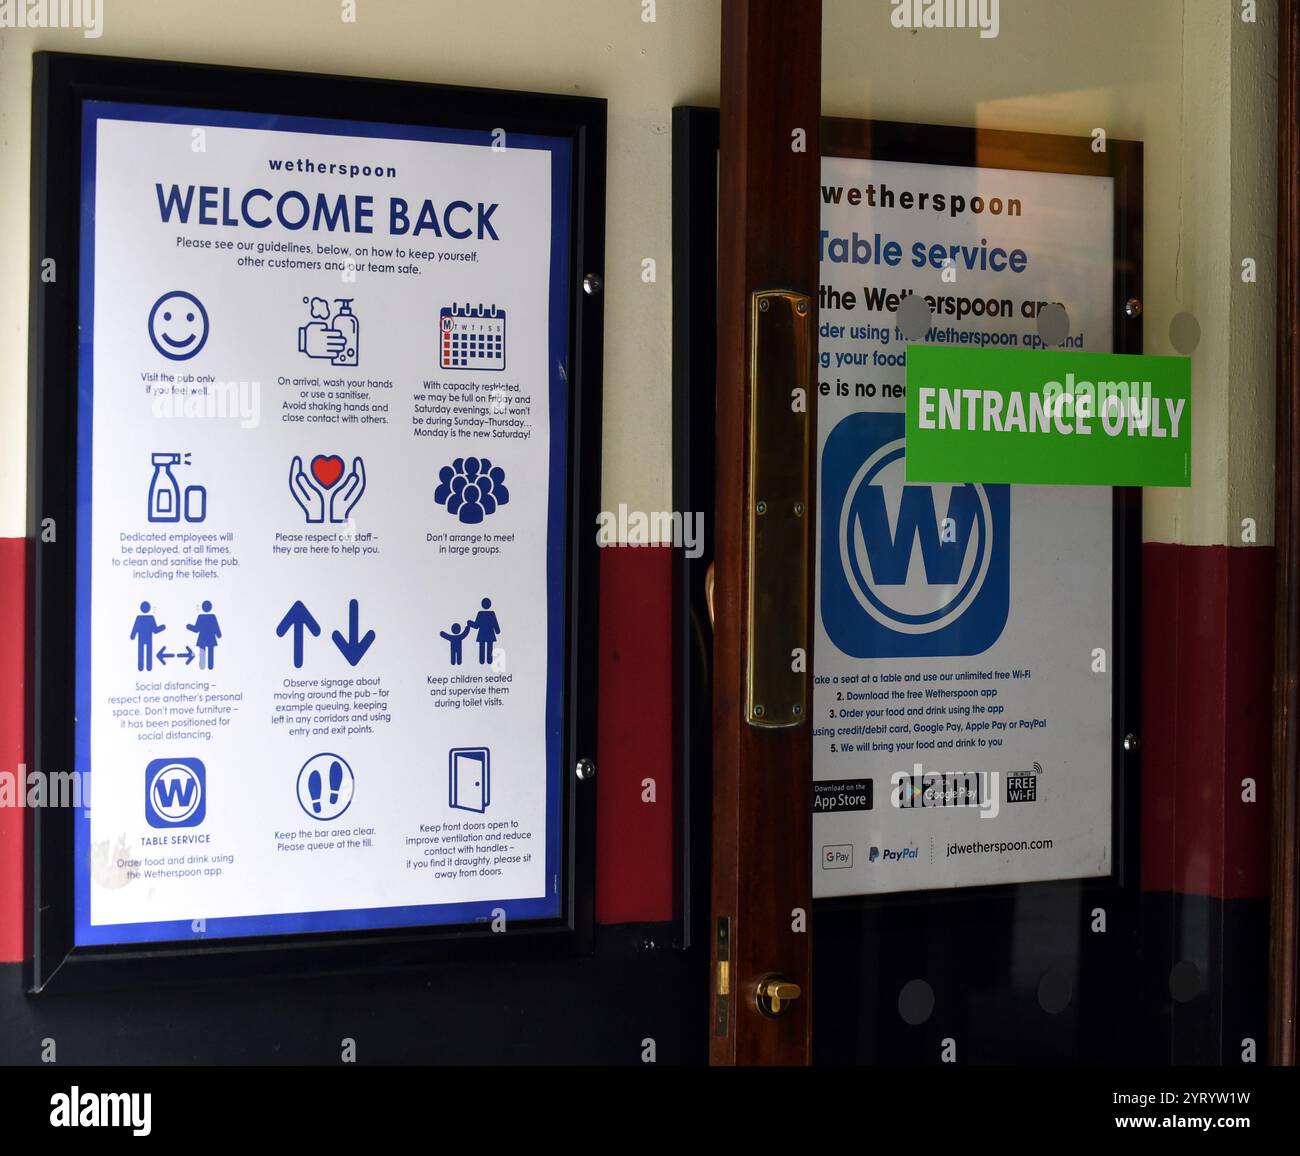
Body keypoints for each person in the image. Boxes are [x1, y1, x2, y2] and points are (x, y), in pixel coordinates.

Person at [187, 600, 222, 670]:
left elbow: (196, 629)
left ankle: (203, 666)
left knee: (202, 653)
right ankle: (210, 666)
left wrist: (189, 626)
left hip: (202, 638)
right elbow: (216, 628)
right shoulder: (212, 617)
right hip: (211, 638)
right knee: (210, 652)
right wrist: (218, 635)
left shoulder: (201, 617)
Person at [130, 602, 165, 672]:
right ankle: (148, 667)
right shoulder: (150, 618)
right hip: (148, 639)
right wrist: (162, 627)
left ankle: (141, 667)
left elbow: (135, 629)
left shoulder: (139, 618)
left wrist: (133, 636)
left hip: (141, 639)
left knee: (141, 651)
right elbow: (155, 630)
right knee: (148, 652)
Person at [469, 597, 501, 665]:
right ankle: (489, 660)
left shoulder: (480, 613)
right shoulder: (492, 613)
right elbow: (495, 624)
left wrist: (470, 623)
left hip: (482, 634)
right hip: (490, 634)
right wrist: (497, 631)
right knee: (489, 647)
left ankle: (482, 660)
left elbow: (476, 626)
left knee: (482, 647)